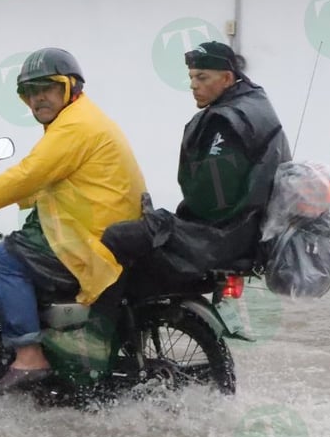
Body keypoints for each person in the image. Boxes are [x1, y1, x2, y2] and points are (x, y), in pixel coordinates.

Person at [0, 47, 146, 394]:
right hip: (99, 226)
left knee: (4, 258)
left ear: (70, 87)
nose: (37, 98)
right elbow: (48, 179)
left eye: (47, 88)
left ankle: (29, 357)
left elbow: (28, 175)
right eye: (29, 92)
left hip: (91, 237)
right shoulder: (79, 120)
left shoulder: (75, 126)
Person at [102, 41, 291, 291]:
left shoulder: (227, 121)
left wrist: (173, 222)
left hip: (222, 237)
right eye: (191, 77)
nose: (193, 85)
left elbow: (211, 198)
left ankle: (101, 326)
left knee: (117, 236)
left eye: (202, 77)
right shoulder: (255, 105)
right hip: (245, 232)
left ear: (226, 77)